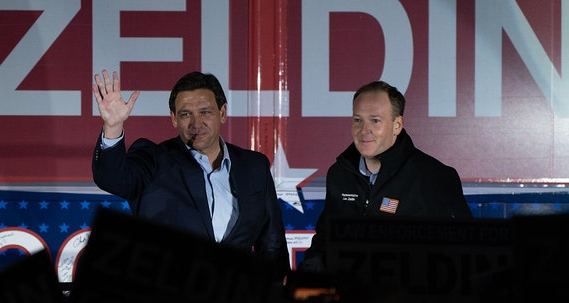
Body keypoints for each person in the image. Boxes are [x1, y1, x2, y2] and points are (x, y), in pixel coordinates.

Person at [91, 69, 291, 282]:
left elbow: (272, 242)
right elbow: (112, 178)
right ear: (174, 118)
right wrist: (113, 127)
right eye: (186, 114)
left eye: (205, 112)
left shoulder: (254, 166)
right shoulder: (153, 159)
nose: (196, 124)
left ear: (222, 112)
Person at [297, 80, 472, 273]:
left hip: (407, 298)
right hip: (348, 297)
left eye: (375, 120)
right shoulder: (339, 174)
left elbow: (461, 250)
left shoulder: (435, 177)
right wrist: (306, 276)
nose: (364, 130)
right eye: (357, 120)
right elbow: (325, 238)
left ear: (397, 125)